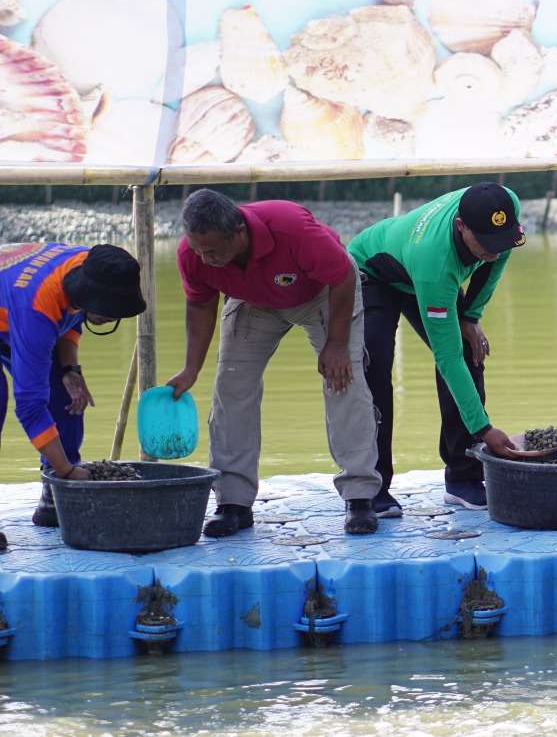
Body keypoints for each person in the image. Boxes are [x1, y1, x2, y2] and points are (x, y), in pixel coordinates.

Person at [167, 190, 384, 537]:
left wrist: (337, 343)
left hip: (323, 294)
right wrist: (191, 368)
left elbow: (342, 275)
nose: (205, 259)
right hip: (253, 300)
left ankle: (359, 496)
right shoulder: (193, 255)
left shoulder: (291, 229)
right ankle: (233, 502)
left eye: (213, 251)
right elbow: (199, 304)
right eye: (198, 250)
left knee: (343, 379)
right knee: (231, 388)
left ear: (238, 231)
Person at [349, 182, 529, 515]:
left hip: (420, 267)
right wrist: (484, 429)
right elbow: (446, 359)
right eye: (485, 243)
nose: (495, 249)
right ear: (461, 227)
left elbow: (497, 260)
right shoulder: (435, 262)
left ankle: (463, 478)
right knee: (375, 367)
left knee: (470, 351)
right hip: (374, 273)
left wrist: (471, 316)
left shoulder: (505, 204)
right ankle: (372, 488)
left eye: (500, 240)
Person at [0, 242, 146, 536]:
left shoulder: (91, 265)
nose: (110, 318)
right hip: (18, 307)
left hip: (17, 307)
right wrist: (69, 473)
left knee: (67, 394)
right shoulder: (39, 309)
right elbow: (29, 407)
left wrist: (69, 369)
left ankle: (53, 494)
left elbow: (70, 316)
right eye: (106, 311)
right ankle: (61, 476)